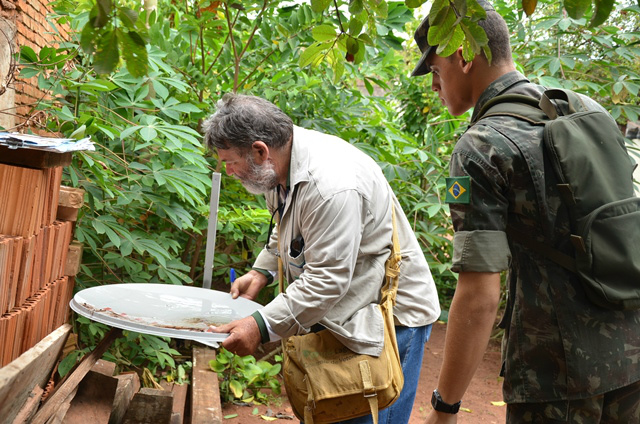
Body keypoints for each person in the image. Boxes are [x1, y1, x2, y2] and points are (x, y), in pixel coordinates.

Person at [410, 2, 640, 423]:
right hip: (632, 351)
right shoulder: (585, 109)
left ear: (463, 56)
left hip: (557, 376)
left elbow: (479, 295)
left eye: (435, 71)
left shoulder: (481, 147)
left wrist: (445, 408)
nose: (434, 86)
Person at [202, 93, 441, 424]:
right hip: (346, 306)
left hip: (388, 318)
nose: (228, 172)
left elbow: (326, 280)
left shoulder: (331, 185)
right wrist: (261, 272)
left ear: (260, 150)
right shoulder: (279, 167)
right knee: (330, 411)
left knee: (364, 416)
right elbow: (288, 227)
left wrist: (259, 326)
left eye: (230, 161)